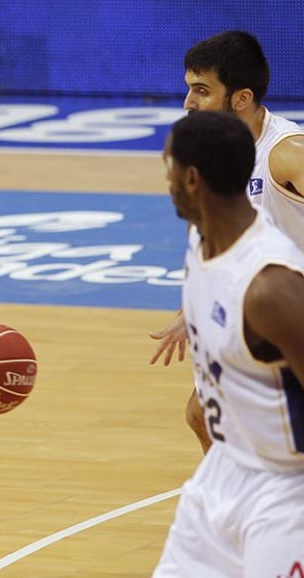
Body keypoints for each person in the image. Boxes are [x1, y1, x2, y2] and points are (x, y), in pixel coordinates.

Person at [152, 110, 304, 577]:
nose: (166, 180)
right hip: (223, 475)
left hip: (285, 492)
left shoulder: (271, 289)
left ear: (192, 179)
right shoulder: (202, 244)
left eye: (168, 168)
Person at [149, 30, 304, 453]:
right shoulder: (208, 152)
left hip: (287, 311)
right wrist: (190, 305)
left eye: (202, 90)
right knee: (202, 415)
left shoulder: (286, 153)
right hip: (243, 313)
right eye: (188, 90)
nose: (188, 103)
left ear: (241, 98)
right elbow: (204, 232)